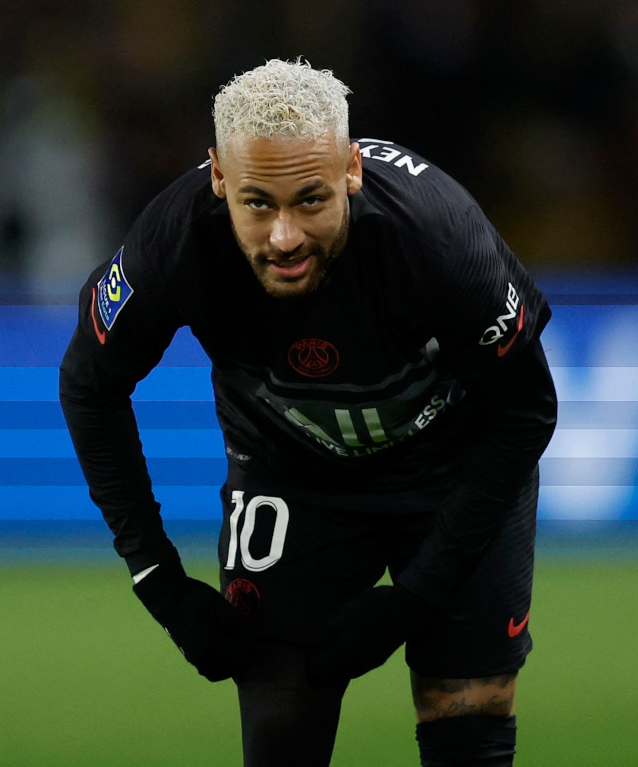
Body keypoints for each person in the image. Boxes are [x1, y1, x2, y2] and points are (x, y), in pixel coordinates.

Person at [59, 58, 557, 766]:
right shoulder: (171, 242)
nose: (285, 236)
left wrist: (417, 595)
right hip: (289, 472)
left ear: (352, 169)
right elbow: (89, 383)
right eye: (258, 203)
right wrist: (159, 579)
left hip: (454, 465)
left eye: (312, 200)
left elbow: (526, 409)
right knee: (281, 720)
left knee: (466, 715)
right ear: (219, 178)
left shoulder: (439, 235)